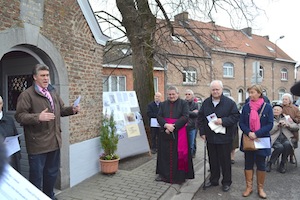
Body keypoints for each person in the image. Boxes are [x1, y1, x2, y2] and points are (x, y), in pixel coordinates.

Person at [15, 64, 80, 199]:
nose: (46, 78)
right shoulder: (27, 95)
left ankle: (49, 195)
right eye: (42, 76)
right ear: (35, 77)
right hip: (37, 144)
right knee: (36, 176)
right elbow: (19, 116)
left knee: (51, 173)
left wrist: (72, 110)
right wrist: (38, 117)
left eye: (47, 75)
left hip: (54, 141)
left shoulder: (52, 93)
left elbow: (61, 110)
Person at [197, 80, 240, 192]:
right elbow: (200, 118)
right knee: (213, 160)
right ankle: (214, 180)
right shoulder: (206, 102)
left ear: (222, 90)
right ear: (210, 90)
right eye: (213, 89)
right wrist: (202, 132)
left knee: (225, 161)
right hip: (210, 137)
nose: (215, 91)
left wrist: (223, 121)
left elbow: (235, 117)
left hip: (224, 137)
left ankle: (226, 182)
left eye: (217, 89)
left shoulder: (229, 103)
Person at [239, 84, 273, 199]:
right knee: (248, 163)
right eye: (249, 93)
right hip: (248, 138)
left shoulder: (267, 107)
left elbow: (270, 124)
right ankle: (249, 187)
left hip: (261, 139)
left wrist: (257, 133)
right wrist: (249, 132)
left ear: (259, 93)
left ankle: (260, 188)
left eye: (253, 92)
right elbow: (241, 123)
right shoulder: (246, 107)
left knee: (261, 164)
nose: (250, 95)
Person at [156, 86, 194, 183]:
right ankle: (164, 175)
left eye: (173, 94)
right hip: (165, 132)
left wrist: (173, 126)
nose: (171, 96)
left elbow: (185, 116)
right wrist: (166, 125)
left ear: (177, 94)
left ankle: (179, 176)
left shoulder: (183, 103)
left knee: (179, 154)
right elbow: (159, 116)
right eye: (169, 94)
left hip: (179, 132)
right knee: (164, 154)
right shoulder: (163, 104)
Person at [266, 104, 298, 173]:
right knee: (279, 147)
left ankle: (282, 164)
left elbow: (296, 127)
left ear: (281, 111)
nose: (276, 111)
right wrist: (277, 126)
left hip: (285, 138)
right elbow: (268, 131)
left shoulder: (286, 118)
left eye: (278, 110)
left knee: (287, 145)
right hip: (274, 139)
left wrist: (288, 125)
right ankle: (270, 163)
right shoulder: (269, 118)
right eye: (274, 110)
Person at [0, 96, 21, 172]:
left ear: (2, 104)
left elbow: (16, 138)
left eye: (0, 104)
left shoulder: (9, 120)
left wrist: (18, 155)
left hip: (11, 160)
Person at [281, 93, 300, 164]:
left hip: (293, 130)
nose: (284, 101)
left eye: (286, 99)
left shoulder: (295, 108)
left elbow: (299, 118)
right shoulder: (280, 107)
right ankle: (284, 157)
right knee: (283, 143)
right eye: (283, 99)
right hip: (282, 129)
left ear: (290, 100)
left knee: (292, 144)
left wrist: (293, 119)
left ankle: (291, 157)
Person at [185, 89, 198, 158]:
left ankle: (192, 154)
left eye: (189, 94)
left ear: (192, 96)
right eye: (186, 94)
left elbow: (196, 114)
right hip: (184, 126)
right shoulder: (182, 103)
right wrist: (191, 112)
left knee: (192, 143)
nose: (187, 96)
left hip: (193, 126)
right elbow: (183, 113)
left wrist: (187, 112)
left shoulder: (195, 104)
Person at [227, 96, 239, 164]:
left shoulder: (235, 109)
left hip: (234, 128)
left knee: (233, 144)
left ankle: (232, 157)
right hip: (226, 129)